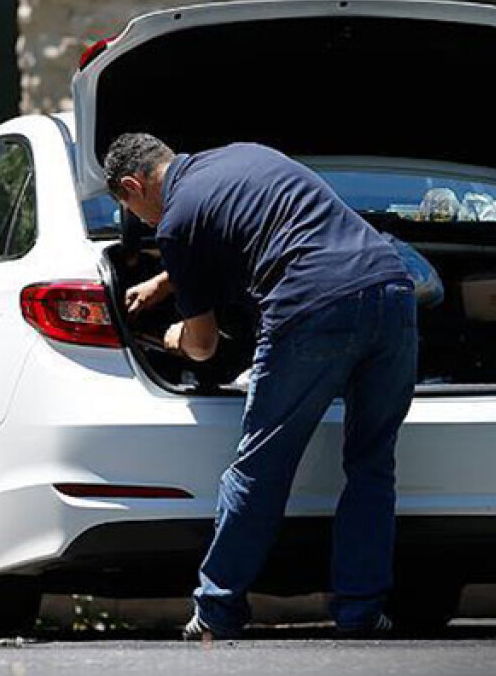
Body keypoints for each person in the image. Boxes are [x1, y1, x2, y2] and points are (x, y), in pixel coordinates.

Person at [104, 133, 416, 640]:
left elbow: (204, 345)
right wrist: (167, 281)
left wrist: (174, 336)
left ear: (132, 185)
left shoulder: (176, 222)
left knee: (260, 469)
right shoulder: (245, 154)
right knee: (372, 463)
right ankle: (362, 611)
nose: (142, 222)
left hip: (312, 310)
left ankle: (218, 609)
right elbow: (251, 229)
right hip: (393, 293)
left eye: (132, 210)